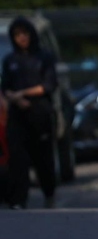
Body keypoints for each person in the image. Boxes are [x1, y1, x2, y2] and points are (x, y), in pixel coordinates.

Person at [2, 17, 59, 210]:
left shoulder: (44, 57)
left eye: (24, 34)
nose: (22, 38)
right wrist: (16, 98)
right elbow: (5, 88)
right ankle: (19, 199)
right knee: (18, 157)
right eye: (17, 35)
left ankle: (49, 193)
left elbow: (49, 85)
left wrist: (24, 93)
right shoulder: (10, 61)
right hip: (18, 115)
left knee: (43, 157)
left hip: (39, 113)